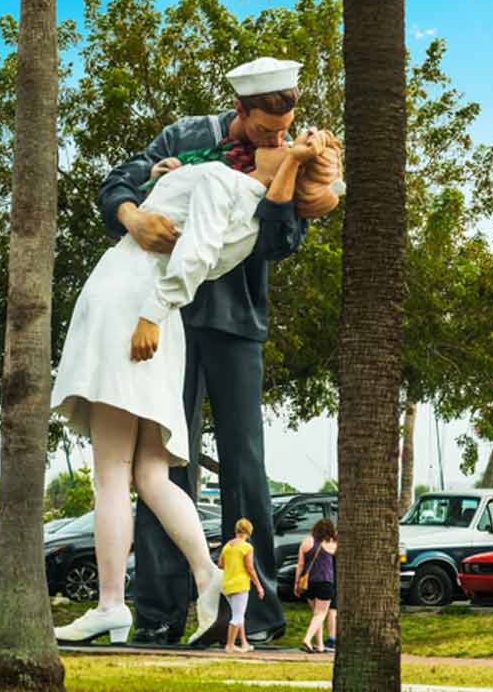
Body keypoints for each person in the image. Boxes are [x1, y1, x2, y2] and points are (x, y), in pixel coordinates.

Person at [53, 114, 343, 644]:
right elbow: (120, 182)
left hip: (206, 316)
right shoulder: (187, 139)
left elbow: (272, 241)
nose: (276, 138)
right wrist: (134, 215)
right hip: (169, 317)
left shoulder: (267, 176)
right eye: (269, 129)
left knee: (238, 465)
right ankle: (160, 612)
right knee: (158, 473)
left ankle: (247, 613)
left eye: (285, 133)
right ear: (244, 110)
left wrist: (282, 185)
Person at [219, 518, 265, 653]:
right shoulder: (247, 547)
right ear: (249, 531)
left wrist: (232, 565)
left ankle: (244, 643)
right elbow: (250, 568)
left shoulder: (227, 546)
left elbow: (220, 564)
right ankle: (230, 645)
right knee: (237, 617)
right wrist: (259, 586)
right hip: (240, 584)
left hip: (227, 584)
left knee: (239, 614)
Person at [293, 518, 337, 653]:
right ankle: (307, 638)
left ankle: (320, 645)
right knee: (321, 614)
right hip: (325, 582)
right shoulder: (331, 543)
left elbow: (300, 565)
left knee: (316, 615)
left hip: (309, 583)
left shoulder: (307, 541)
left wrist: (296, 583)